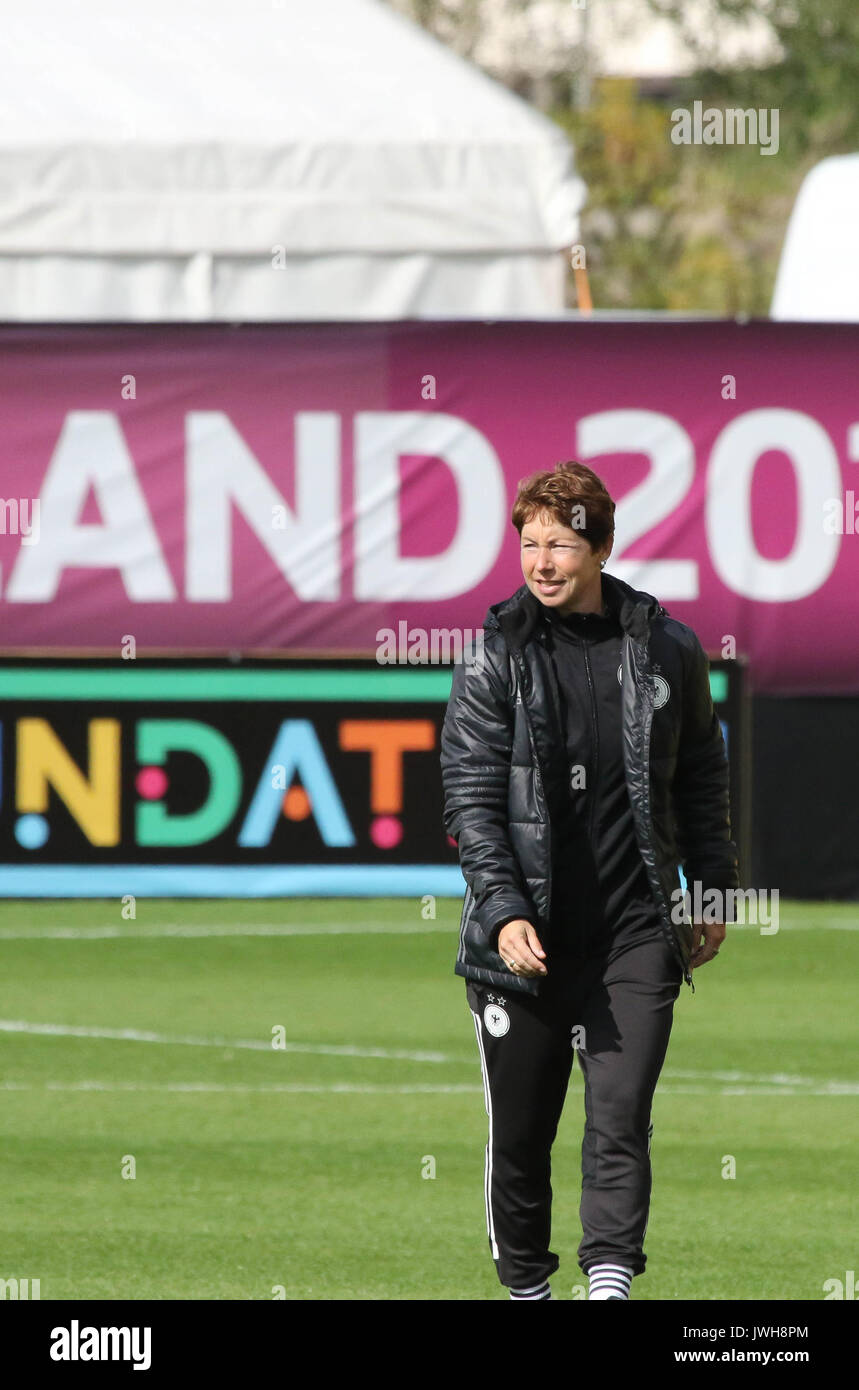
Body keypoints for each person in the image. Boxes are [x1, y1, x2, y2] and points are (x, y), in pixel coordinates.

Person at [440, 460, 739, 1301]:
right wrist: (502, 914)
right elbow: (468, 802)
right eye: (529, 544)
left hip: (634, 933)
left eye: (561, 545)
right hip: (524, 942)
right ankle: (528, 1289)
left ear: (601, 548)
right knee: (522, 1139)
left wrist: (711, 888)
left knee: (620, 1119)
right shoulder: (492, 656)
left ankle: (608, 1286)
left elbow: (700, 779)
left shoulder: (667, 650)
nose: (541, 562)